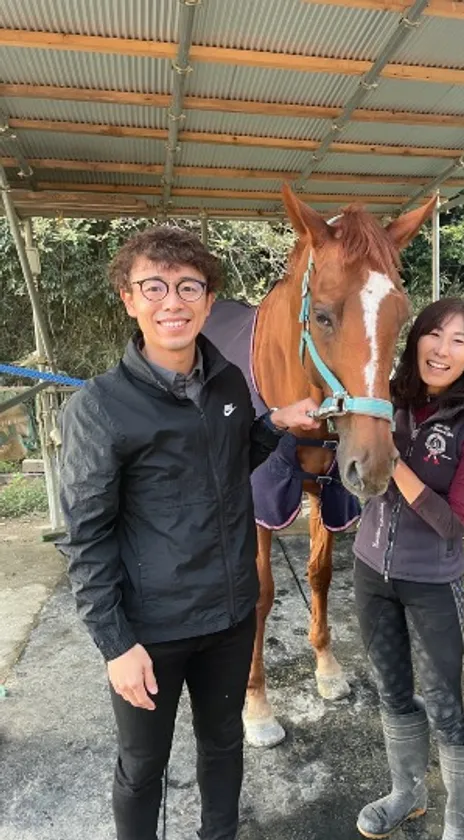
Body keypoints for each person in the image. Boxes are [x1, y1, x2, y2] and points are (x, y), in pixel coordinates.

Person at [56, 226, 320, 840]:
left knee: (223, 746)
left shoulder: (227, 383)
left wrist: (276, 422)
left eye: (188, 288)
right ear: (129, 299)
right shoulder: (100, 408)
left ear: (208, 300)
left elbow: (232, 457)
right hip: (151, 632)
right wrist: (115, 645)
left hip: (229, 616)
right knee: (142, 766)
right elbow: (85, 540)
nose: (171, 302)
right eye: (154, 287)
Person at [352, 298, 464, 840]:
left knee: (443, 705)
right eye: (434, 334)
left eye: (459, 340)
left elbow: (452, 521)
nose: (442, 349)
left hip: (433, 582)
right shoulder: (385, 400)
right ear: (415, 340)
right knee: (391, 689)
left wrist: (393, 462)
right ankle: (407, 795)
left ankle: (461, 826)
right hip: (372, 570)